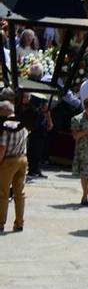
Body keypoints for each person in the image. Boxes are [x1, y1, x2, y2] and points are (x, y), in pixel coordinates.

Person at [0, 100, 26, 233]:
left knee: (3, 192)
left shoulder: (6, 125)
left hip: (9, 161)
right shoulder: (23, 124)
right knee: (19, 193)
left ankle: (0, 222)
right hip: (23, 159)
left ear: (5, 110)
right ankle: (19, 223)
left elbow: (2, 147)